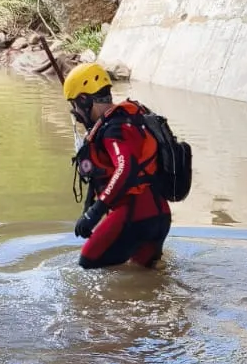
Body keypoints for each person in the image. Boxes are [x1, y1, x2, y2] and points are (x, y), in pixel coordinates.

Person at [64, 63, 176, 270]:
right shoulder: (130, 118)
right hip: (159, 215)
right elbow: (105, 173)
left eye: (76, 106)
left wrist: (95, 213)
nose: (77, 114)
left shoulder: (113, 129)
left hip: (134, 215)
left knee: (87, 266)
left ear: (83, 99)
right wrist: (88, 206)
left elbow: (125, 169)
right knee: (147, 279)